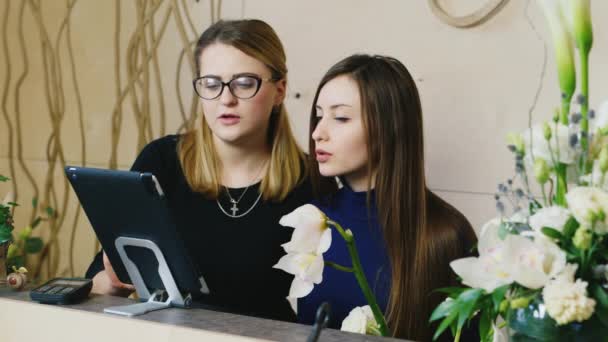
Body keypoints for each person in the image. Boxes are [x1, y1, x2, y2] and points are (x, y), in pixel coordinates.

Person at [85, 19, 311, 322]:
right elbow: (99, 282)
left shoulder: (310, 179)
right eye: (212, 84)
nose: (226, 99)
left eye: (244, 83)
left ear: (280, 90)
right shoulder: (161, 161)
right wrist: (112, 282)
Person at [297, 54, 477, 341]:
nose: (318, 133)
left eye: (341, 117)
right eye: (319, 115)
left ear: (389, 126)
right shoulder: (312, 220)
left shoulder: (445, 234)